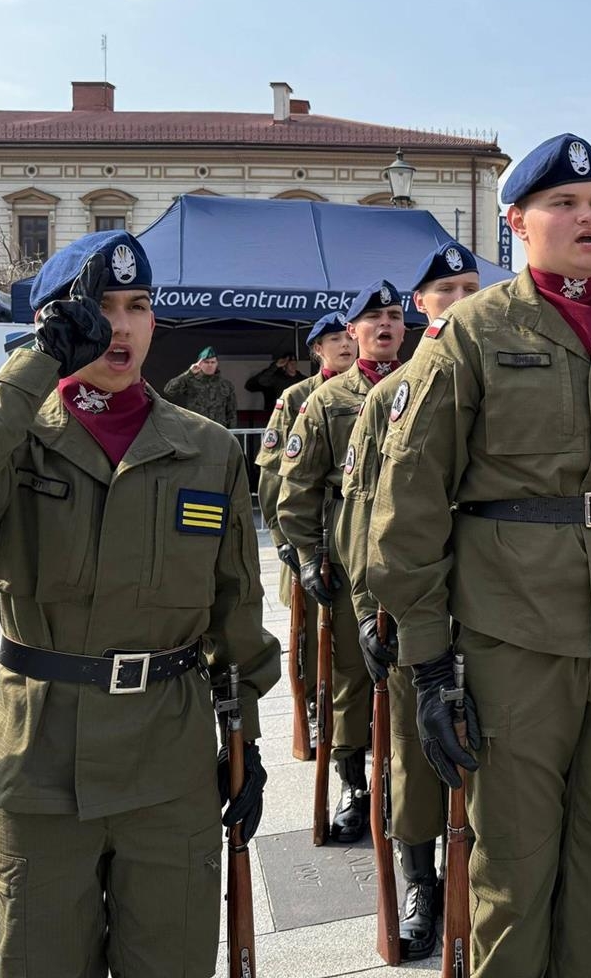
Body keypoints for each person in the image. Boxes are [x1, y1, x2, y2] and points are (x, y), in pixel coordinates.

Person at [0, 231, 278, 976]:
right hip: (41, 757)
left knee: (172, 962)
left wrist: (243, 737)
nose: (122, 327)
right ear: (59, 322)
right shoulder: (11, 435)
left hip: (169, 759)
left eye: (139, 306)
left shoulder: (208, 448)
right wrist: (33, 366)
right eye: (98, 309)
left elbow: (234, 611)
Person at [364, 133, 591, 977]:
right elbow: (408, 507)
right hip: (513, 639)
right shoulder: (472, 336)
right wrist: (431, 664)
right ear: (518, 222)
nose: (586, 217)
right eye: (564, 204)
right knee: (515, 870)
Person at [339, 240, 482, 960]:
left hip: (497, 607)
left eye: (469, 285)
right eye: (444, 290)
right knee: (415, 756)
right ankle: (421, 879)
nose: (459, 299)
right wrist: (369, 606)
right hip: (413, 604)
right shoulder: (389, 398)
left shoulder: (507, 379)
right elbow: (364, 514)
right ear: (422, 307)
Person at [277, 282, 406, 842]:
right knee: (353, 675)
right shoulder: (325, 402)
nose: (385, 325)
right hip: (350, 553)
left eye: (395, 316)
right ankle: (356, 782)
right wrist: (308, 554)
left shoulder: (424, 384)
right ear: (351, 332)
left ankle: (407, 778)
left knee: (412, 671)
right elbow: (297, 488)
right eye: (372, 317)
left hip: (414, 552)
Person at [256, 313, 355, 751]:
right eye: (333, 339)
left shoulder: (374, 391)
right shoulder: (298, 397)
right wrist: (286, 543)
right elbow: (275, 476)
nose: (344, 345)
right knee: (311, 639)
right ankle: (316, 712)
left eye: (347, 336)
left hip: (347, 539)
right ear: (316, 350)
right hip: (306, 538)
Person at [163, 346, 238, 427]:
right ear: (199, 363)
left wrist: (231, 433)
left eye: (213, 362)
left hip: (218, 431)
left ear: (217, 364)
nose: (210, 365)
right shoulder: (191, 381)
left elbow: (231, 413)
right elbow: (169, 390)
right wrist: (189, 373)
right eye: (206, 362)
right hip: (196, 430)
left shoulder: (226, 385)